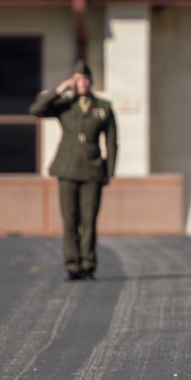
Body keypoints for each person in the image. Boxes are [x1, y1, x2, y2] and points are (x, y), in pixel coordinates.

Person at [29, 60, 118, 281]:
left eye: (85, 79)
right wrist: (59, 90)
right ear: (73, 81)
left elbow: (112, 141)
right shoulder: (65, 105)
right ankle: (72, 265)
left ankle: (88, 264)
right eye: (78, 79)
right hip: (67, 169)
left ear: (91, 81)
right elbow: (36, 110)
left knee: (89, 220)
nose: (82, 83)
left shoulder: (103, 107)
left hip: (92, 171)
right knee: (69, 219)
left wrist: (109, 171)